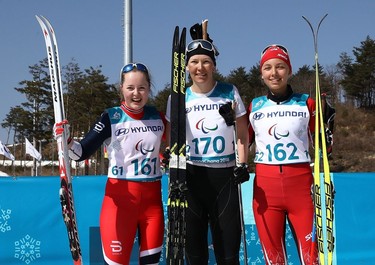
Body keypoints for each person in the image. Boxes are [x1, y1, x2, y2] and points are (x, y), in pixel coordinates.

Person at [54, 62, 166, 265]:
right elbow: (80, 153)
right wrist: (67, 141)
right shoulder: (111, 117)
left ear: (149, 88)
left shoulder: (157, 117)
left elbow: (178, 143)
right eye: (130, 88)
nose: (136, 93)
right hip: (120, 204)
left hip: (152, 206)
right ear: (121, 88)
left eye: (141, 88)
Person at [165, 24, 250, 265]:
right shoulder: (178, 97)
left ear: (213, 65)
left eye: (205, 62)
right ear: (186, 67)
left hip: (224, 177)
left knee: (228, 252)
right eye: (194, 62)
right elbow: (172, 138)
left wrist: (243, 164)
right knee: (194, 252)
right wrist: (168, 157)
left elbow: (243, 134)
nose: (200, 68)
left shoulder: (229, 91)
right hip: (191, 177)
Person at [247, 44, 319, 265]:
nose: (274, 73)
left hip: (301, 190)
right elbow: (242, 144)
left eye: (280, 67)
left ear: (289, 70)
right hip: (266, 194)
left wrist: (328, 126)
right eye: (268, 67)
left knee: (311, 258)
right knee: (274, 260)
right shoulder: (254, 107)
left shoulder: (307, 102)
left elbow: (324, 147)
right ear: (262, 74)